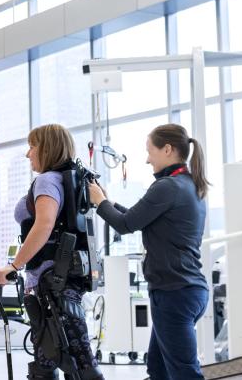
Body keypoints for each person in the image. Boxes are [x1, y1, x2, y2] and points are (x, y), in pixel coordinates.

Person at [88, 123, 210, 380]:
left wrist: (100, 203)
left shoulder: (168, 186)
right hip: (188, 290)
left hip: (173, 294)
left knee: (185, 373)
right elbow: (136, 216)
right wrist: (105, 201)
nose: (146, 159)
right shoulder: (188, 185)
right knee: (158, 368)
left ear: (167, 149)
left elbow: (125, 224)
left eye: (149, 151)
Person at [0, 124, 103, 380]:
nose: (27, 153)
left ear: (47, 148)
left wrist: (15, 265)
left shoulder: (47, 180)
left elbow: (44, 225)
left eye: (32, 146)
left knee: (80, 362)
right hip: (57, 282)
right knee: (47, 359)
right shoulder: (72, 180)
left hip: (54, 283)